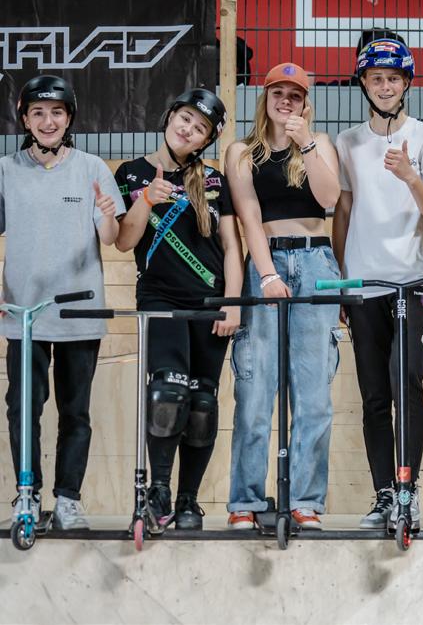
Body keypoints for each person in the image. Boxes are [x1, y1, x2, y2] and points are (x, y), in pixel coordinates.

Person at [114, 88, 243, 531]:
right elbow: (124, 241)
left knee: (203, 403)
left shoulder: (213, 180)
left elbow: (232, 247)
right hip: (160, 298)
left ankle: (189, 499)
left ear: (207, 140)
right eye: (185, 118)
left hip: (210, 302)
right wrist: (146, 199)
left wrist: (232, 303)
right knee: (168, 392)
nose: (188, 130)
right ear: (170, 116)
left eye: (200, 127)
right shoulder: (131, 173)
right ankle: (160, 491)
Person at [332, 39, 423, 530]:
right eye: (376, 78)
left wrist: (410, 176)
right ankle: (384, 494)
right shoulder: (347, 142)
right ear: (363, 83)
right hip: (364, 283)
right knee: (375, 394)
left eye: (393, 79)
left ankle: (408, 490)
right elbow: (343, 211)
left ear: (406, 84)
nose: (385, 86)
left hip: (414, 280)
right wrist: (344, 280)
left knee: (407, 383)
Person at [0, 74, 123, 530]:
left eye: (56, 112)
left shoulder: (92, 168)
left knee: (75, 412)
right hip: (24, 315)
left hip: (78, 312)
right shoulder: (6, 169)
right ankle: (27, 495)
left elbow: (109, 237)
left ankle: (68, 499)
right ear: (25, 119)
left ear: (69, 118)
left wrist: (108, 216)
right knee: (23, 409)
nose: (47, 121)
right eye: (38, 113)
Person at [225, 62, 341, 530]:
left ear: (305, 103)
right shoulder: (241, 151)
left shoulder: (320, 142)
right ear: (265, 97)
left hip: (316, 261)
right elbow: (248, 217)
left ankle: (305, 501)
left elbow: (329, 198)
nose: (286, 101)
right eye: (279, 93)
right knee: (255, 391)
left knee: (313, 397)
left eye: (295, 95)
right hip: (267, 261)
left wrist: (305, 140)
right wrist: (268, 273)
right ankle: (246, 501)